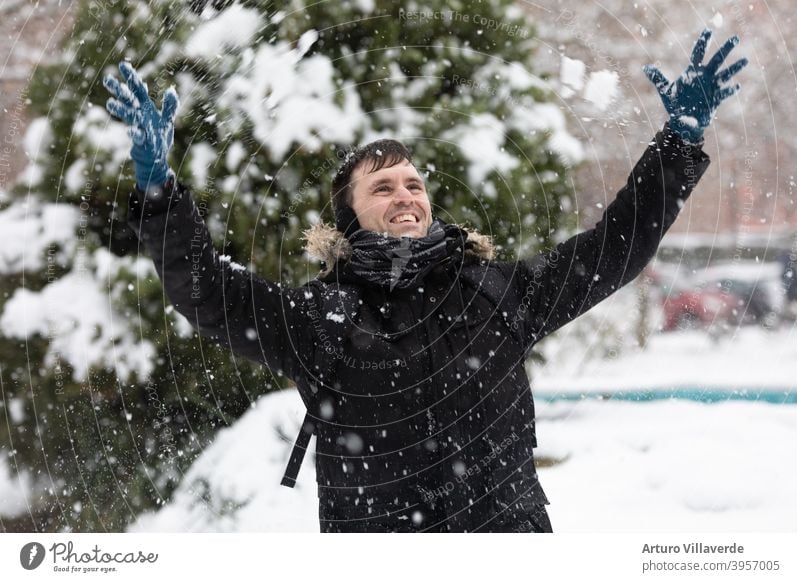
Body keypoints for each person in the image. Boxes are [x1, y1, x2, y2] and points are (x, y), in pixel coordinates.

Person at [104, 29, 746, 532]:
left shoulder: (499, 294)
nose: (405, 195)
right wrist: (159, 194)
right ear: (348, 215)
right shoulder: (317, 320)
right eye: (382, 187)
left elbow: (614, 250)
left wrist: (677, 143)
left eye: (414, 183)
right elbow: (205, 291)